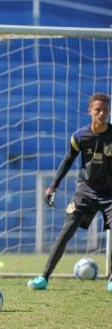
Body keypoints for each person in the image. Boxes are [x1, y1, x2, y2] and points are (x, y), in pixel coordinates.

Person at [27, 92, 112, 291]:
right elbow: (68, 161)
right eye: (98, 110)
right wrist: (53, 186)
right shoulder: (80, 136)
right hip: (86, 191)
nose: (102, 114)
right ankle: (44, 277)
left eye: (105, 110)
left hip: (110, 194)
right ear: (90, 111)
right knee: (67, 229)